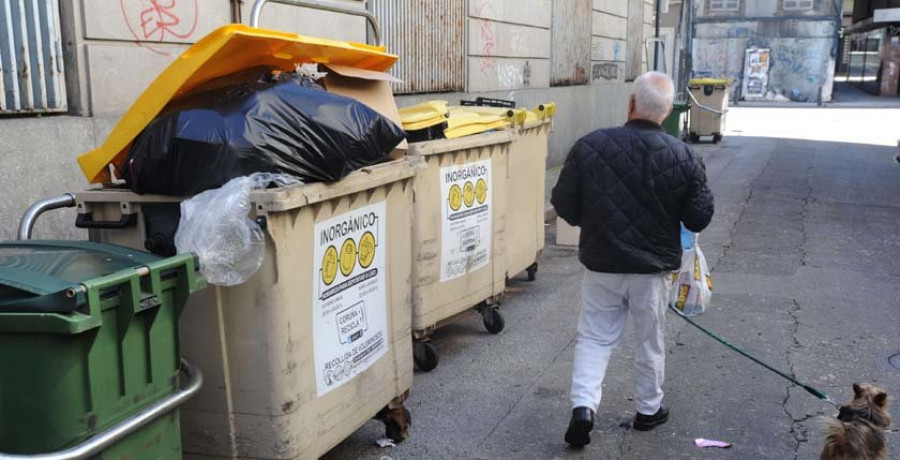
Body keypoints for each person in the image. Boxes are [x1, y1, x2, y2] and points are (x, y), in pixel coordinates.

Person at [551, 71, 715, 447]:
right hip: (652, 270)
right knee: (649, 340)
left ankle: (583, 407)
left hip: (601, 264)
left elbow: (563, 202)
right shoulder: (685, 156)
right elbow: (698, 217)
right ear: (668, 111)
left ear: (630, 103)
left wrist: (590, 222)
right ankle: (648, 408)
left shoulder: (589, 146)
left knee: (594, 338)